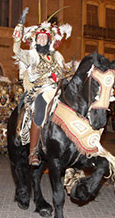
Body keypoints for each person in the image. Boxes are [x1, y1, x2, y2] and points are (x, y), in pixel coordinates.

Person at [12, 9, 72, 166]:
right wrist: (19, 26)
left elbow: (64, 72)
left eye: (45, 37)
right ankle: (33, 152)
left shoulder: (57, 56)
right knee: (39, 113)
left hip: (57, 90)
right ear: (35, 39)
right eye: (39, 37)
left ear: (50, 40)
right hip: (40, 90)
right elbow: (16, 50)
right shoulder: (31, 54)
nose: (42, 40)